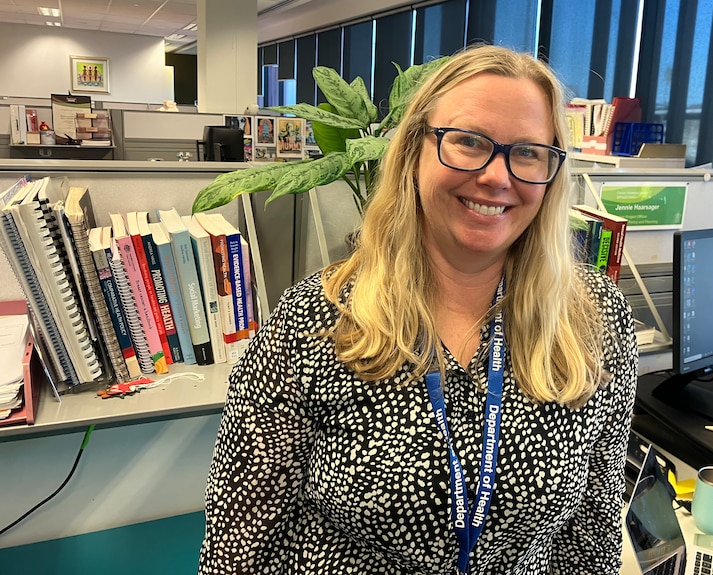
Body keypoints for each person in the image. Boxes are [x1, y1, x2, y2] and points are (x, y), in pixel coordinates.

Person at [198, 44, 638, 574]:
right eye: (469, 141)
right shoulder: (311, 323)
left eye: (527, 152)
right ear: (412, 152)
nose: (498, 177)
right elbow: (239, 543)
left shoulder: (594, 320)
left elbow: (591, 531)